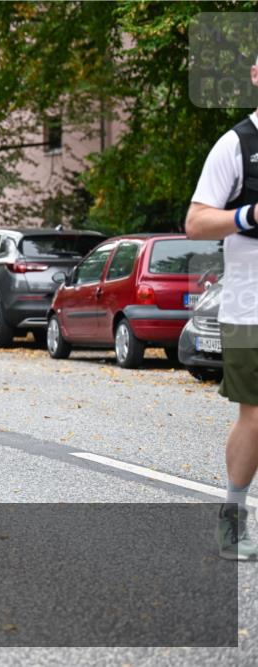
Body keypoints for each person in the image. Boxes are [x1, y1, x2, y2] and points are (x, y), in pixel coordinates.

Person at [185, 56, 258, 561]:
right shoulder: (238, 144)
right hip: (251, 307)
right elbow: (195, 222)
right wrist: (249, 214)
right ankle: (232, 520)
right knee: (255, 417)